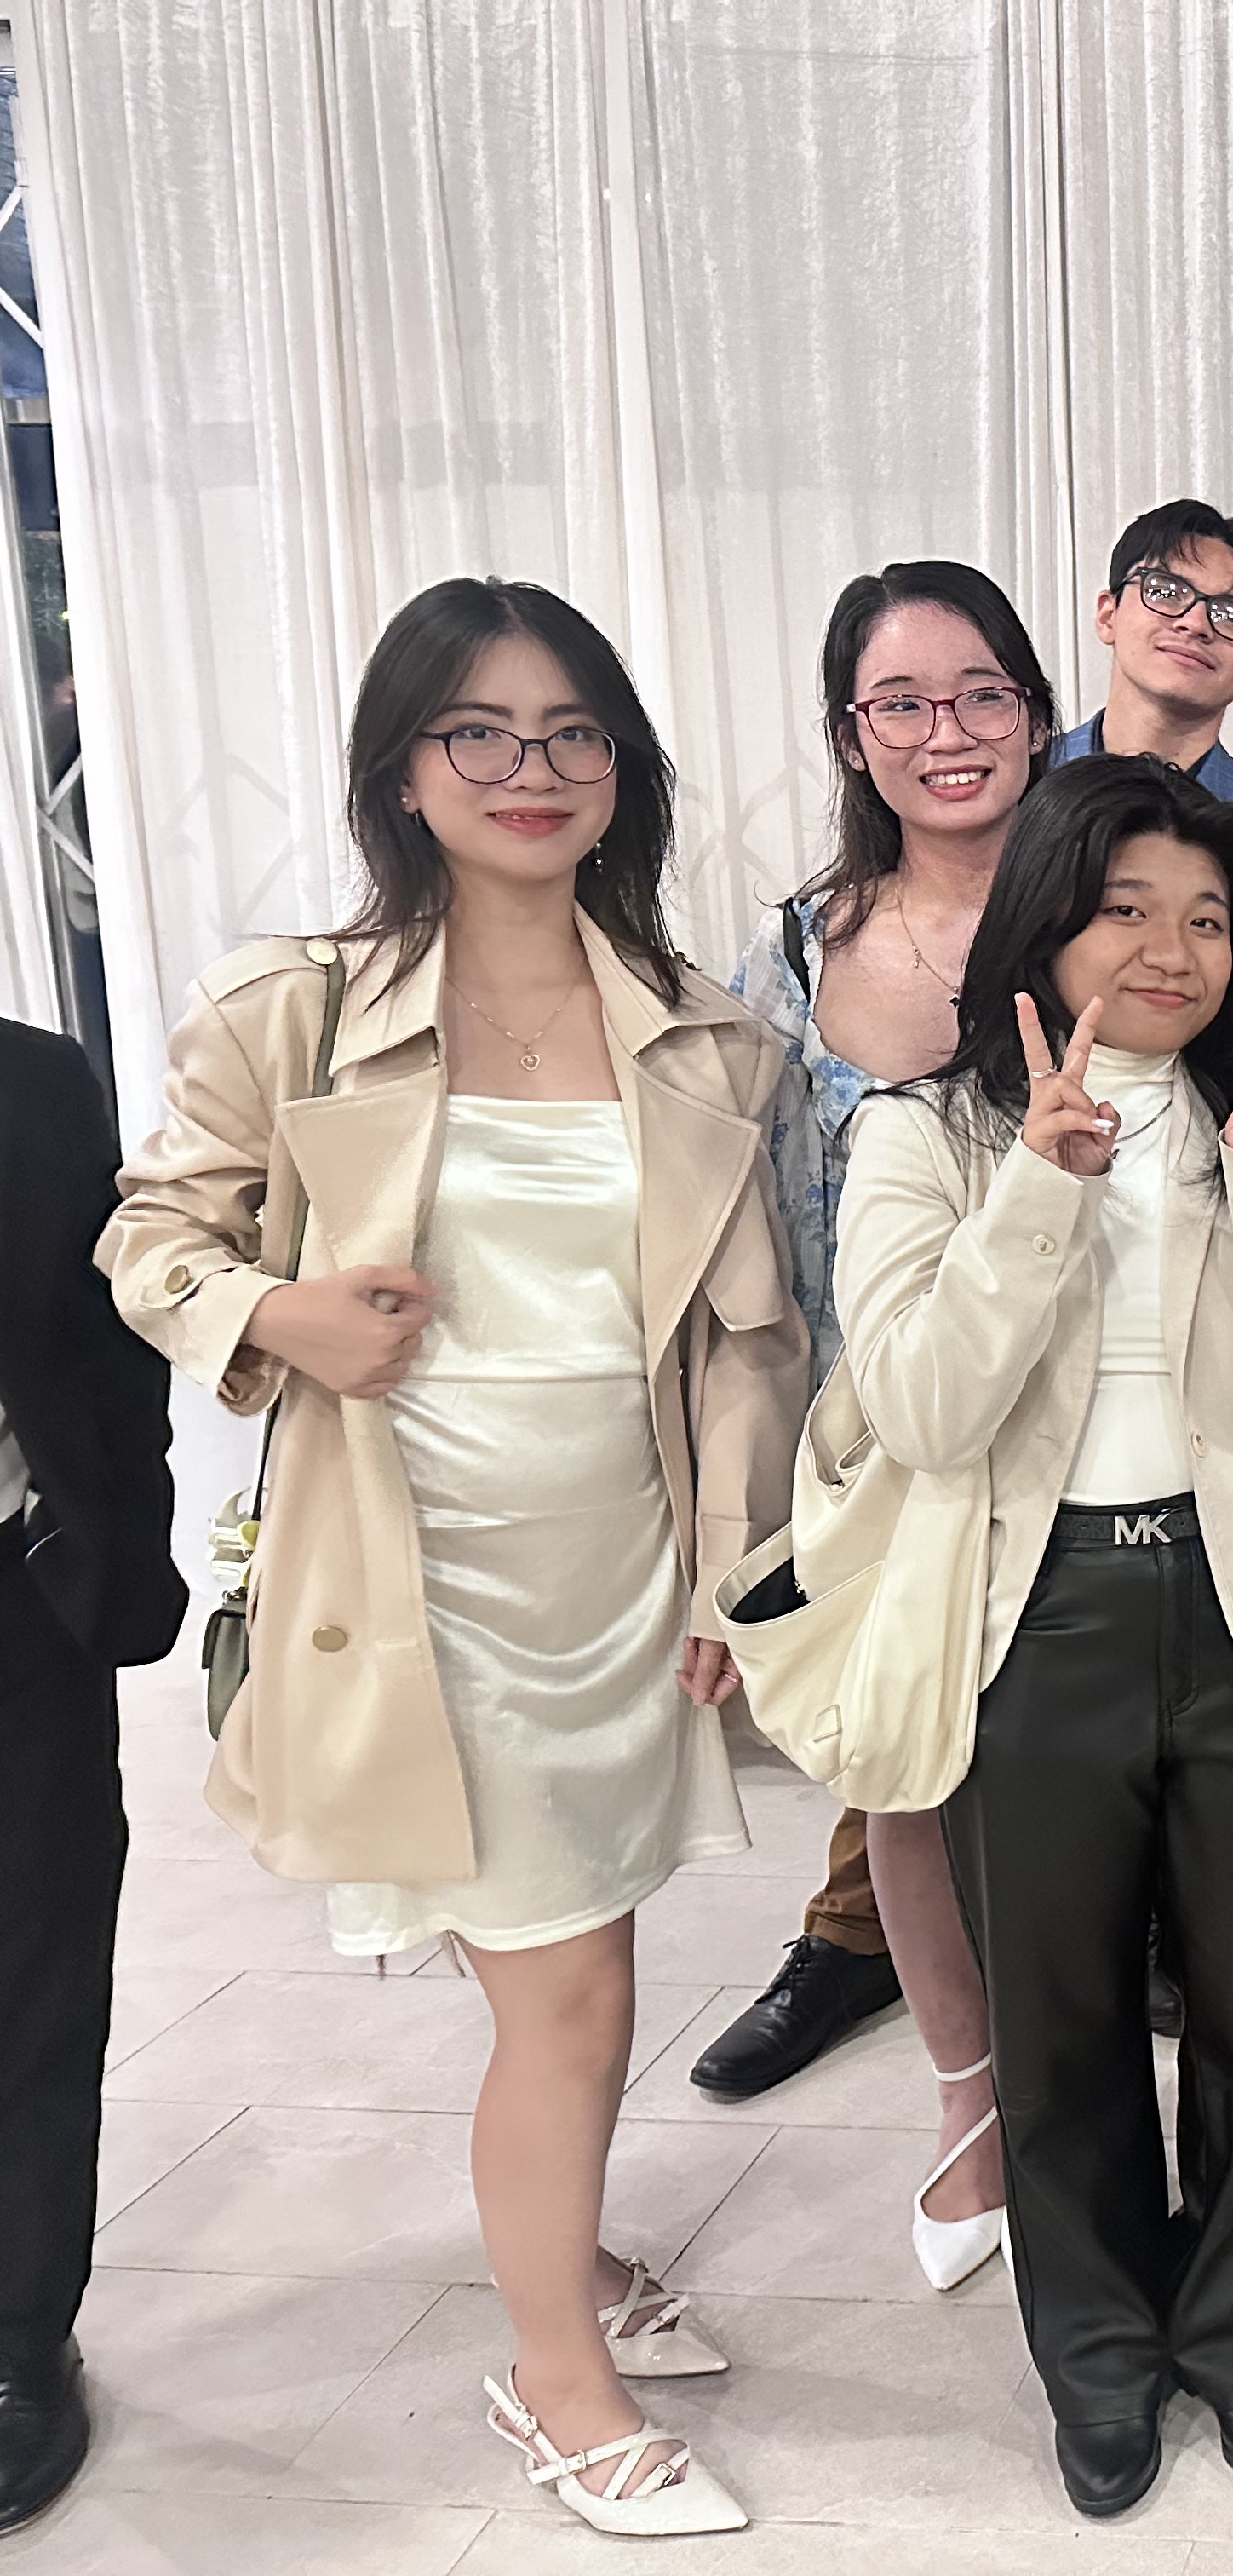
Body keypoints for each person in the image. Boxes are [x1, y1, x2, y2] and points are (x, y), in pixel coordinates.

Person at [103, 578, 807, 2535]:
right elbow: (153, 1235)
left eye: (572, 731)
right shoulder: (297, 1008)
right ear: (402, 771)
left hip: (624, 1579)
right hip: (426, 1589)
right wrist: (277, 1316)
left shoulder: (700, 1033)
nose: (530, 767)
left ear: (621, 771)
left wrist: (734, 1571)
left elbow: (746, 1343)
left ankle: (564, 2254)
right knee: (565, 2002)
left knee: (591, 1966)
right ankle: (557, 2384)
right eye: (478, 731)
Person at [827, 757, 1233, 2517]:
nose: (1174, 947)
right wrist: (1041, 1188)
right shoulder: (927, 1131)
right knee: (1061, 2027)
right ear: (1047, 919)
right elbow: (922, 1407)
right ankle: (1094, 2356)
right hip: (1039, 1619)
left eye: (1209, 917)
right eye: (1129, 907)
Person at [695, 561, 1059, 2303]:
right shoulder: (795, 950)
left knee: (1080, 1786)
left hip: (1086, 1432)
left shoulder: (1114, 897)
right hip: (885, 1443)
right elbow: (753, 1239)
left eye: (981, 692)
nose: (946, 731)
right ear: (852, 735)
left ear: (1037, 711)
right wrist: (746, 1501)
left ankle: (1091, 2103)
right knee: (907, 1784)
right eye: (900, 702)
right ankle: (970, 2102)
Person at [0, 1018, 186, 2533]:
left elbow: (106, 1346)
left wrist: (125, 1564)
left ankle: (17, 2341)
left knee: (35, 1984)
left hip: (15, 1604)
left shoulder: (33, 1081)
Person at [1045, 499, 1233, 802]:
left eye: (1232, 615)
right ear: (1108, 616)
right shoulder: (1021, 782)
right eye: (1166, 591)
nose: (1195, 623)